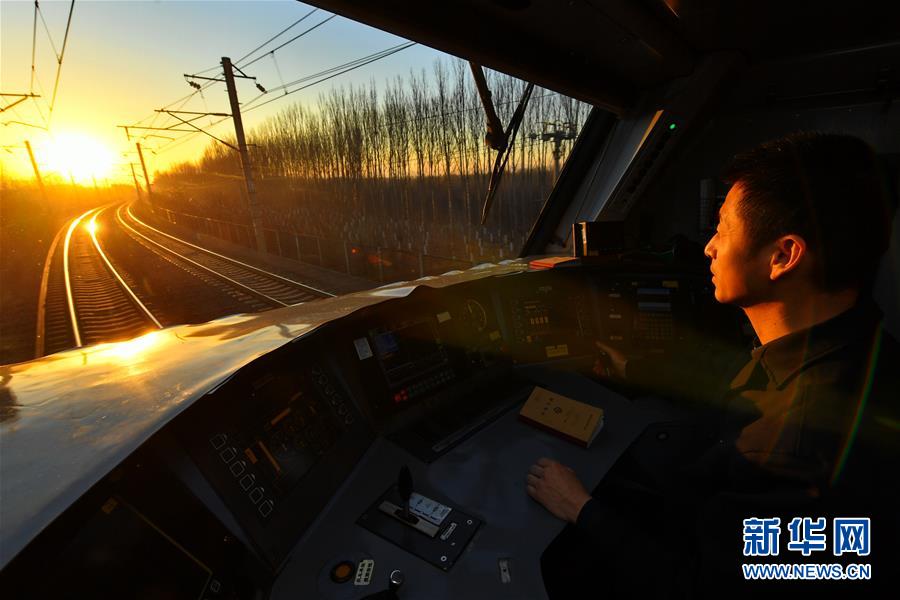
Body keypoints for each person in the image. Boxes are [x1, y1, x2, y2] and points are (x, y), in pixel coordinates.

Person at [527, 132, 900, 597]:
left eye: (722, 228)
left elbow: (699, 586)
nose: (709, 247)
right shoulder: (862, 351)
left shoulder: (793, 450)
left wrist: (580, 507)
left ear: (783, 255)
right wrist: (639, 368)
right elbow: (757, 381)